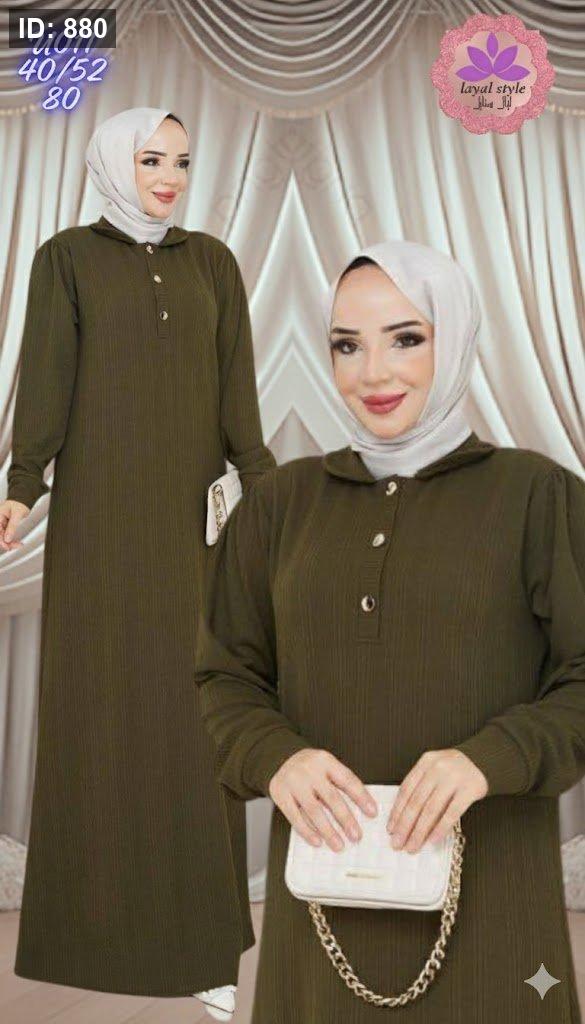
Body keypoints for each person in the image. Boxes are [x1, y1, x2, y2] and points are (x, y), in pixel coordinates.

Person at [193, 239, 585, 1023]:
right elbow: (223, 676)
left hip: (495, 907)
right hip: (321, 909)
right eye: (347, 345)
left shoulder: (537, 497)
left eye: (405, 338)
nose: (372, 373)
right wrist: (275, 756)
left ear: (455, 335)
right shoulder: (278, 505)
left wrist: (489, 758)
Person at [0, 107, 275, 1017]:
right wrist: (23, 486)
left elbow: (237, 393)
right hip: (99, 533)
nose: (169, 177)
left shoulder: (212, 263)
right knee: (104, 717)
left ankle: (201, 947)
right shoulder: (66, 260)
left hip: (191, 536)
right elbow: (46, 381)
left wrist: (266, 490)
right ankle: (91, 939)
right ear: (116, 162)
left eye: (182, 161)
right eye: (152, 159)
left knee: (192, 724)